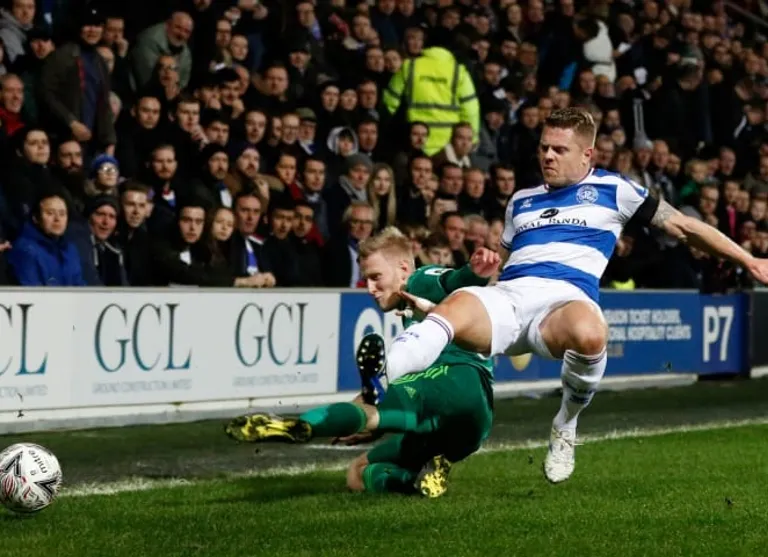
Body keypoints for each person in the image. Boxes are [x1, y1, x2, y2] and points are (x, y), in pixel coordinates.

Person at [367, 107, 768, 485]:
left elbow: (684, 226)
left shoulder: (616, 189)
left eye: (559, 149)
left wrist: (748, 260)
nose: (548, 156)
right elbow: (498, 271)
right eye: (544, 147)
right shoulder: (521, 201)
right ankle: (381, 384)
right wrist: (469, 281)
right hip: (509, 298)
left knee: (591, 333)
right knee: (457, 306)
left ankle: (566, 423)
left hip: (563, 304)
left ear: (587, 154)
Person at [225, 227, 500, 498]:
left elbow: (450, 280)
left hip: (456, 379)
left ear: (403, 269)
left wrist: (473, 272)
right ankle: (417, 476)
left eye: (376, 277)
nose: (370, 288)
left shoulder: (419, 279)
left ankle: (305, 426)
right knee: (357, 473)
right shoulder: (412, 310)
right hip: (468, 426)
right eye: (366, 279)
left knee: (373, 404)